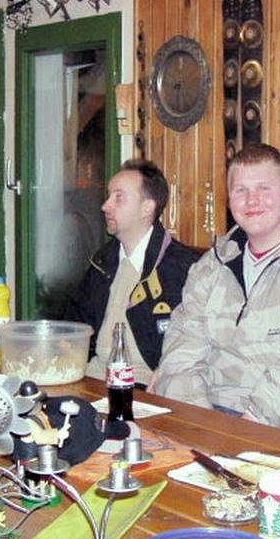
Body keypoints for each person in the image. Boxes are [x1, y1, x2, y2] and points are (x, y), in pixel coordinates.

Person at [150, 143, 280, 431]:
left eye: (264, 188)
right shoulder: (214, 263)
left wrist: (248, 427)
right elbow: (182, 344)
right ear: (229, 199)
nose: (252, 200)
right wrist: (199, 418)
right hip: (209, 409)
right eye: (241, 190)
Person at [67, 159, 199, 385]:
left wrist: (169, 373)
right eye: (109, 196)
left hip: (146, 387)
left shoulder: (184, 268)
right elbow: (74, 328)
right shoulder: (102, 263)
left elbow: (200, 341)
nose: (105, 206)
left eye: (118, 197)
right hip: (92, 379)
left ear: (147, 208)